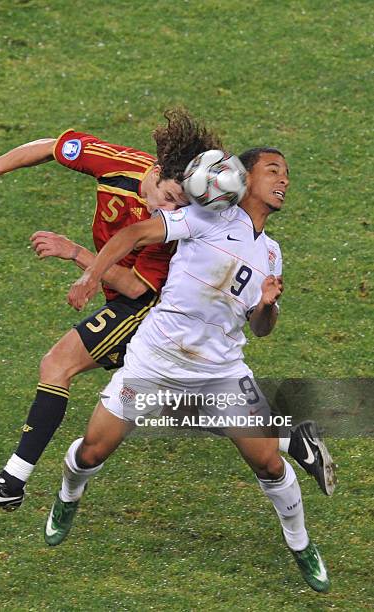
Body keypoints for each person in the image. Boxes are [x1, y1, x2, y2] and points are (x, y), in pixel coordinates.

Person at [42, 148, 331, 593]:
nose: (284, 180)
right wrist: (90, 274)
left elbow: (260, 329)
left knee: (270, 464)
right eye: (272, 171)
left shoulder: (272, 254)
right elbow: (136, 234)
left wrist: (267, 306)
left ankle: (301, 544)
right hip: (154, 362)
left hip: (222, 372)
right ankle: (67, 497)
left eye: (287, 173)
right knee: (91, 454)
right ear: (242, 178)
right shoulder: (205, 218)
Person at [0, 109, 224, 509]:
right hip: (144, 304)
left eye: (177, 207)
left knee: (58, 364)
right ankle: (289, 438)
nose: (166, 214)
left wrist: (76, 254)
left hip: (149, 309)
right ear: (157, 170)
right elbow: (50, 146)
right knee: (192, 395)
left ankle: (11, 483)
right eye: (167, 198)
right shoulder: (119, 165)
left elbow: (137, 287)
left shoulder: (173, 226)